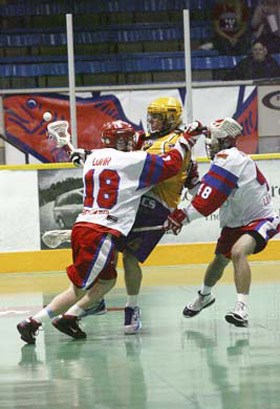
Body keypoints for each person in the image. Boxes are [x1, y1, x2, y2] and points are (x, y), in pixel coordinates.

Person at [17, 119, 198, 344]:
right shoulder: (134, 160)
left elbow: (82, 156)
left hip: (84, 226)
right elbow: (172, 164)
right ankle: (33, 322)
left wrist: (73, 151)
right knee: (78, 288)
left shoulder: (93, 158)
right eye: (127, 138)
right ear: (125, 140)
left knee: (107, 280)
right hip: (101, 231)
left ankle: (70, 317)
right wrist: (187, 139)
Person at [164, 117, 280, 327]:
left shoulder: (229, 158)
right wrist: (192, 183)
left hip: (260, 219)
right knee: (219, 261)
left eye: (211, 139)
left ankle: (242, 309)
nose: (209, 143)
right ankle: (204, 296)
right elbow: (204, 193)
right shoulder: (224, 159)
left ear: (224, 141)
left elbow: (207, 201)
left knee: (238, 252)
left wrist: (183, 216)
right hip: (235, 222)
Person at [114, 97, 204, 335]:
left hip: (155, 208)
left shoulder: (179, 143)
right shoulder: (143, 140)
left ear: (171, 118)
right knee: (107, 248)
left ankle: (131, 307)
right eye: (151, 115)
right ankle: (97, 299)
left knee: (130, 258)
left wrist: (186, 213)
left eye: (157, 116)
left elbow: (194, 186)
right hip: (131, 203)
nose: (152, 120)